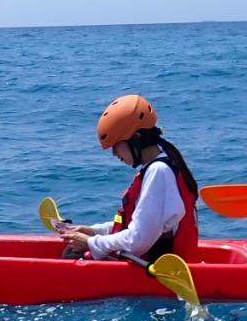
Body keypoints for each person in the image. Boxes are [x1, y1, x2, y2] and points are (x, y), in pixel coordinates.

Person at [59, 94, 200, 262]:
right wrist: (94, 231)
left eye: (116, 147)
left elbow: (138, 240)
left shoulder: (158, 172)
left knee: (72, 256)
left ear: (136, 140)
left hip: (156, 271)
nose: (114, 154)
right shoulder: (162, 165)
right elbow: (140, 227)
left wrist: (90, 242)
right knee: (72, 251)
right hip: (153, 261)